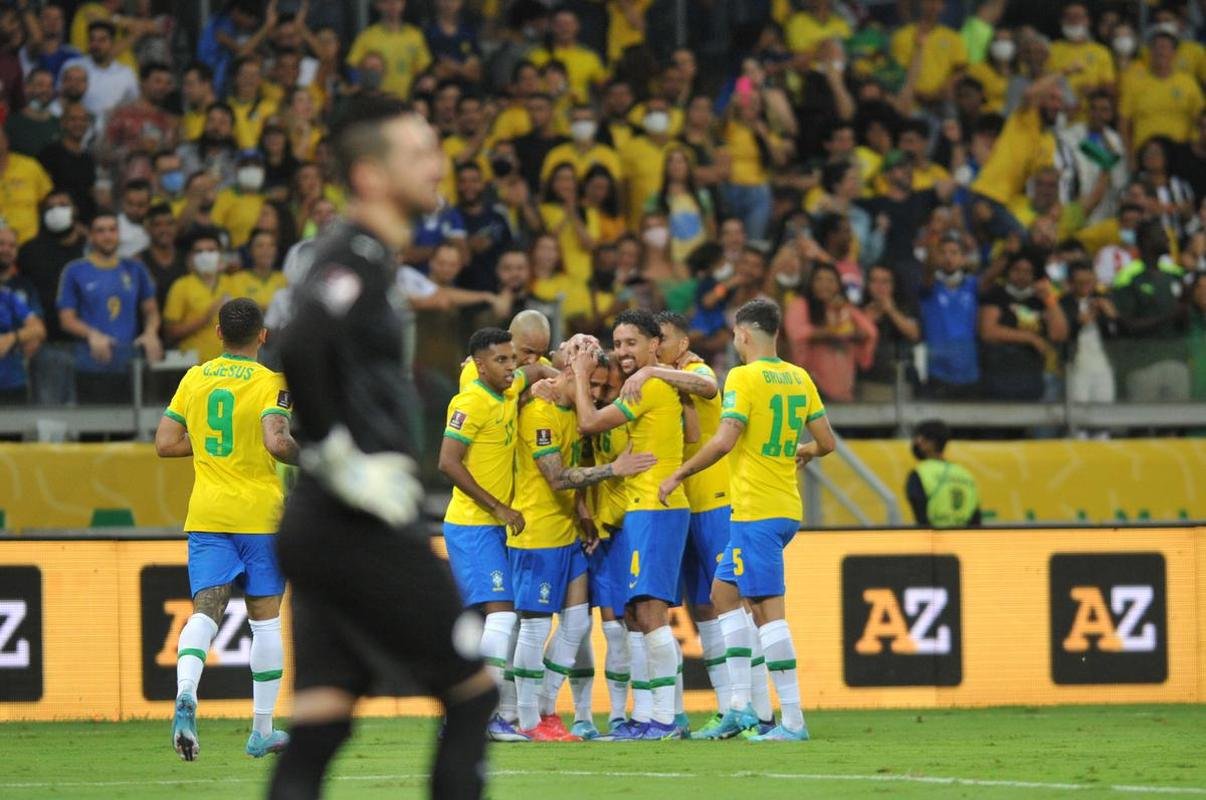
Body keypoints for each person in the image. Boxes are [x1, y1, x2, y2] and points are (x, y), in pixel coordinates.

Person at [270, 97, 496, 800]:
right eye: (419, 152)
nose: (439, 164)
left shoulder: (369, 257)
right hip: (353, 517)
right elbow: (300, 341)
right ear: (370, 176)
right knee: (473, 694)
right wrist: (340, 455)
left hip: (322, 520)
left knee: (320, 725)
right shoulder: (356, 255)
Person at [660, 297, 834, 742]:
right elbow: (827, 442)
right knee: (722, 595)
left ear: (742, 335)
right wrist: (805, 451)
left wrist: (679, 471)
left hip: (757, 511)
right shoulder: (799, 377)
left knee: (768, 613)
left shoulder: (742, 376)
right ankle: (740, 707)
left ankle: (792, 721)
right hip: (781, 508)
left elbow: (723, 440)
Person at [154, 297, 298, 761]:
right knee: (267, 621)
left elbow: (164, 443)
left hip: (208, 514)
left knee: (205, 611)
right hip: (260, 517)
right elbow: (277, 441)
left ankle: (186, 694)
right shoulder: (271, 383)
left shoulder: (194, 377)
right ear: (263, 335)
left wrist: (212, 449)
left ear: (217, 334)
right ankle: (261, 731)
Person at [509, 364, 654, 740]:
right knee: (536, 627)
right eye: (589, 384)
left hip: (569, 532)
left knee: (576, 625)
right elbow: (557, 477)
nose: (596, 393)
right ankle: (527, 721)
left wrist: (583, 513)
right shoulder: (538, 411)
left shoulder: (573, 411)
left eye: (601, 386)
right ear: (568, 376)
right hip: (536, 533)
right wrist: (614, 468)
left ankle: (546, 710)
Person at [571, 308, 692, 740]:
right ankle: (649, 715)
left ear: (653, 344)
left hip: (658, 507)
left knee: (652, 615)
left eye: (631, 344)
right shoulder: (649, 380)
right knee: (639, 616)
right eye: (618, 344)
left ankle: (665, 718)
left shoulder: (652, 382)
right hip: (643, 509)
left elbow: (588, 422)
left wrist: (582, 376)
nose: (623, 352)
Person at [438, 327, 556, 742]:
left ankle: (468, 716)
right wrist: (498, 507)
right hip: (474, 523)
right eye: (501, 361)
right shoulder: (470, 399)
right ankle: (477, 718)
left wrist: (556, 367)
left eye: (511, 358)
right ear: (478, 364)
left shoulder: (508, 386)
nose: (511, 367)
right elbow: (448, 462)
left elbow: (536, 367)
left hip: (490, 527)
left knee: (488, 620)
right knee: (503, 615)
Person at [57, 212, 162, 402]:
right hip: (89, 363)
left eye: (112, 230)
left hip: (130, 364)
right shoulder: (75, 270)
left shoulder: (135, 268)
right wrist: (92, 334)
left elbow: (151, 310)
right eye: (101, 230)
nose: (107, 235)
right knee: (92, 426)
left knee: (131, 429)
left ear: (119, 234)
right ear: (90, 235)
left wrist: (151, 332)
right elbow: (66, 320)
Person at [162, 229, 233, 363]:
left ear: (220, 254)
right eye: (199, 251)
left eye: (211, 250)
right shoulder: (181, 286)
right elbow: (170, 333)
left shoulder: (232, 283)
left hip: (229, 366)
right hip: (194, 366)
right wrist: (204, 319)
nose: (206, 255)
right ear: (190, 257)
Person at [345, 0, 431, 100]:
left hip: (406, 101)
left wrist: (426, 80)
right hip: (376, 102)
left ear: (403, 4)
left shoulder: (415, 36)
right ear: (378, 5)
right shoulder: (367, 36)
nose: (393, 5)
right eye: (387, 1)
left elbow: (424, 68)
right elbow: (352, 65)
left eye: (397, 1)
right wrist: (356, 82)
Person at [904, 419, 981, 528]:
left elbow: (920, 514)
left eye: (919, 438)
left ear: (930, 442)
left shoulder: (920, 473)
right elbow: (975, 517)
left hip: (934, 540)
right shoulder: (965, 474)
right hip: (962, 540)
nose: (916, 442)